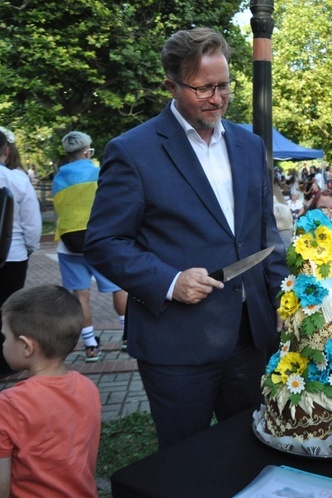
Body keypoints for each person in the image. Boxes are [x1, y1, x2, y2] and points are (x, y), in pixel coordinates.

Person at [83, 27, 288, 448]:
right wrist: (170, 281)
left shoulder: (249, 146)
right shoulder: (132, 150)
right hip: (176, 346)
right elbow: (103, 243)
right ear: (171, 85)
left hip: (252, 339)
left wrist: (282, 302)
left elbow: (264, 235)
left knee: (253, 450)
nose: (217, 98)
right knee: (185, 463)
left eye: (224, 86)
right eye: (204, 88)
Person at [0, 285, 101, 497]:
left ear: (26, 346)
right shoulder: (88, 387)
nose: (3, 344)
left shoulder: (9, 405)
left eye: (5, 337)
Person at [53, 131, 128, 361]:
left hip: (69, 244)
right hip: (100, 241)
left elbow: (59, 209)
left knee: (81, 296)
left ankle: (90, 346)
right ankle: (128, 336)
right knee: (119, 287)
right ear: (87, 151)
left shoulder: (58, 178)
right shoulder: (99, 173)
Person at [0, 130, 41, 378]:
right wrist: (30, 247)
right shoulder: (16, 179)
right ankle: (5, 362)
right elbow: (32, 222)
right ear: (6, 150)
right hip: (11, 256)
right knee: (8, 309)